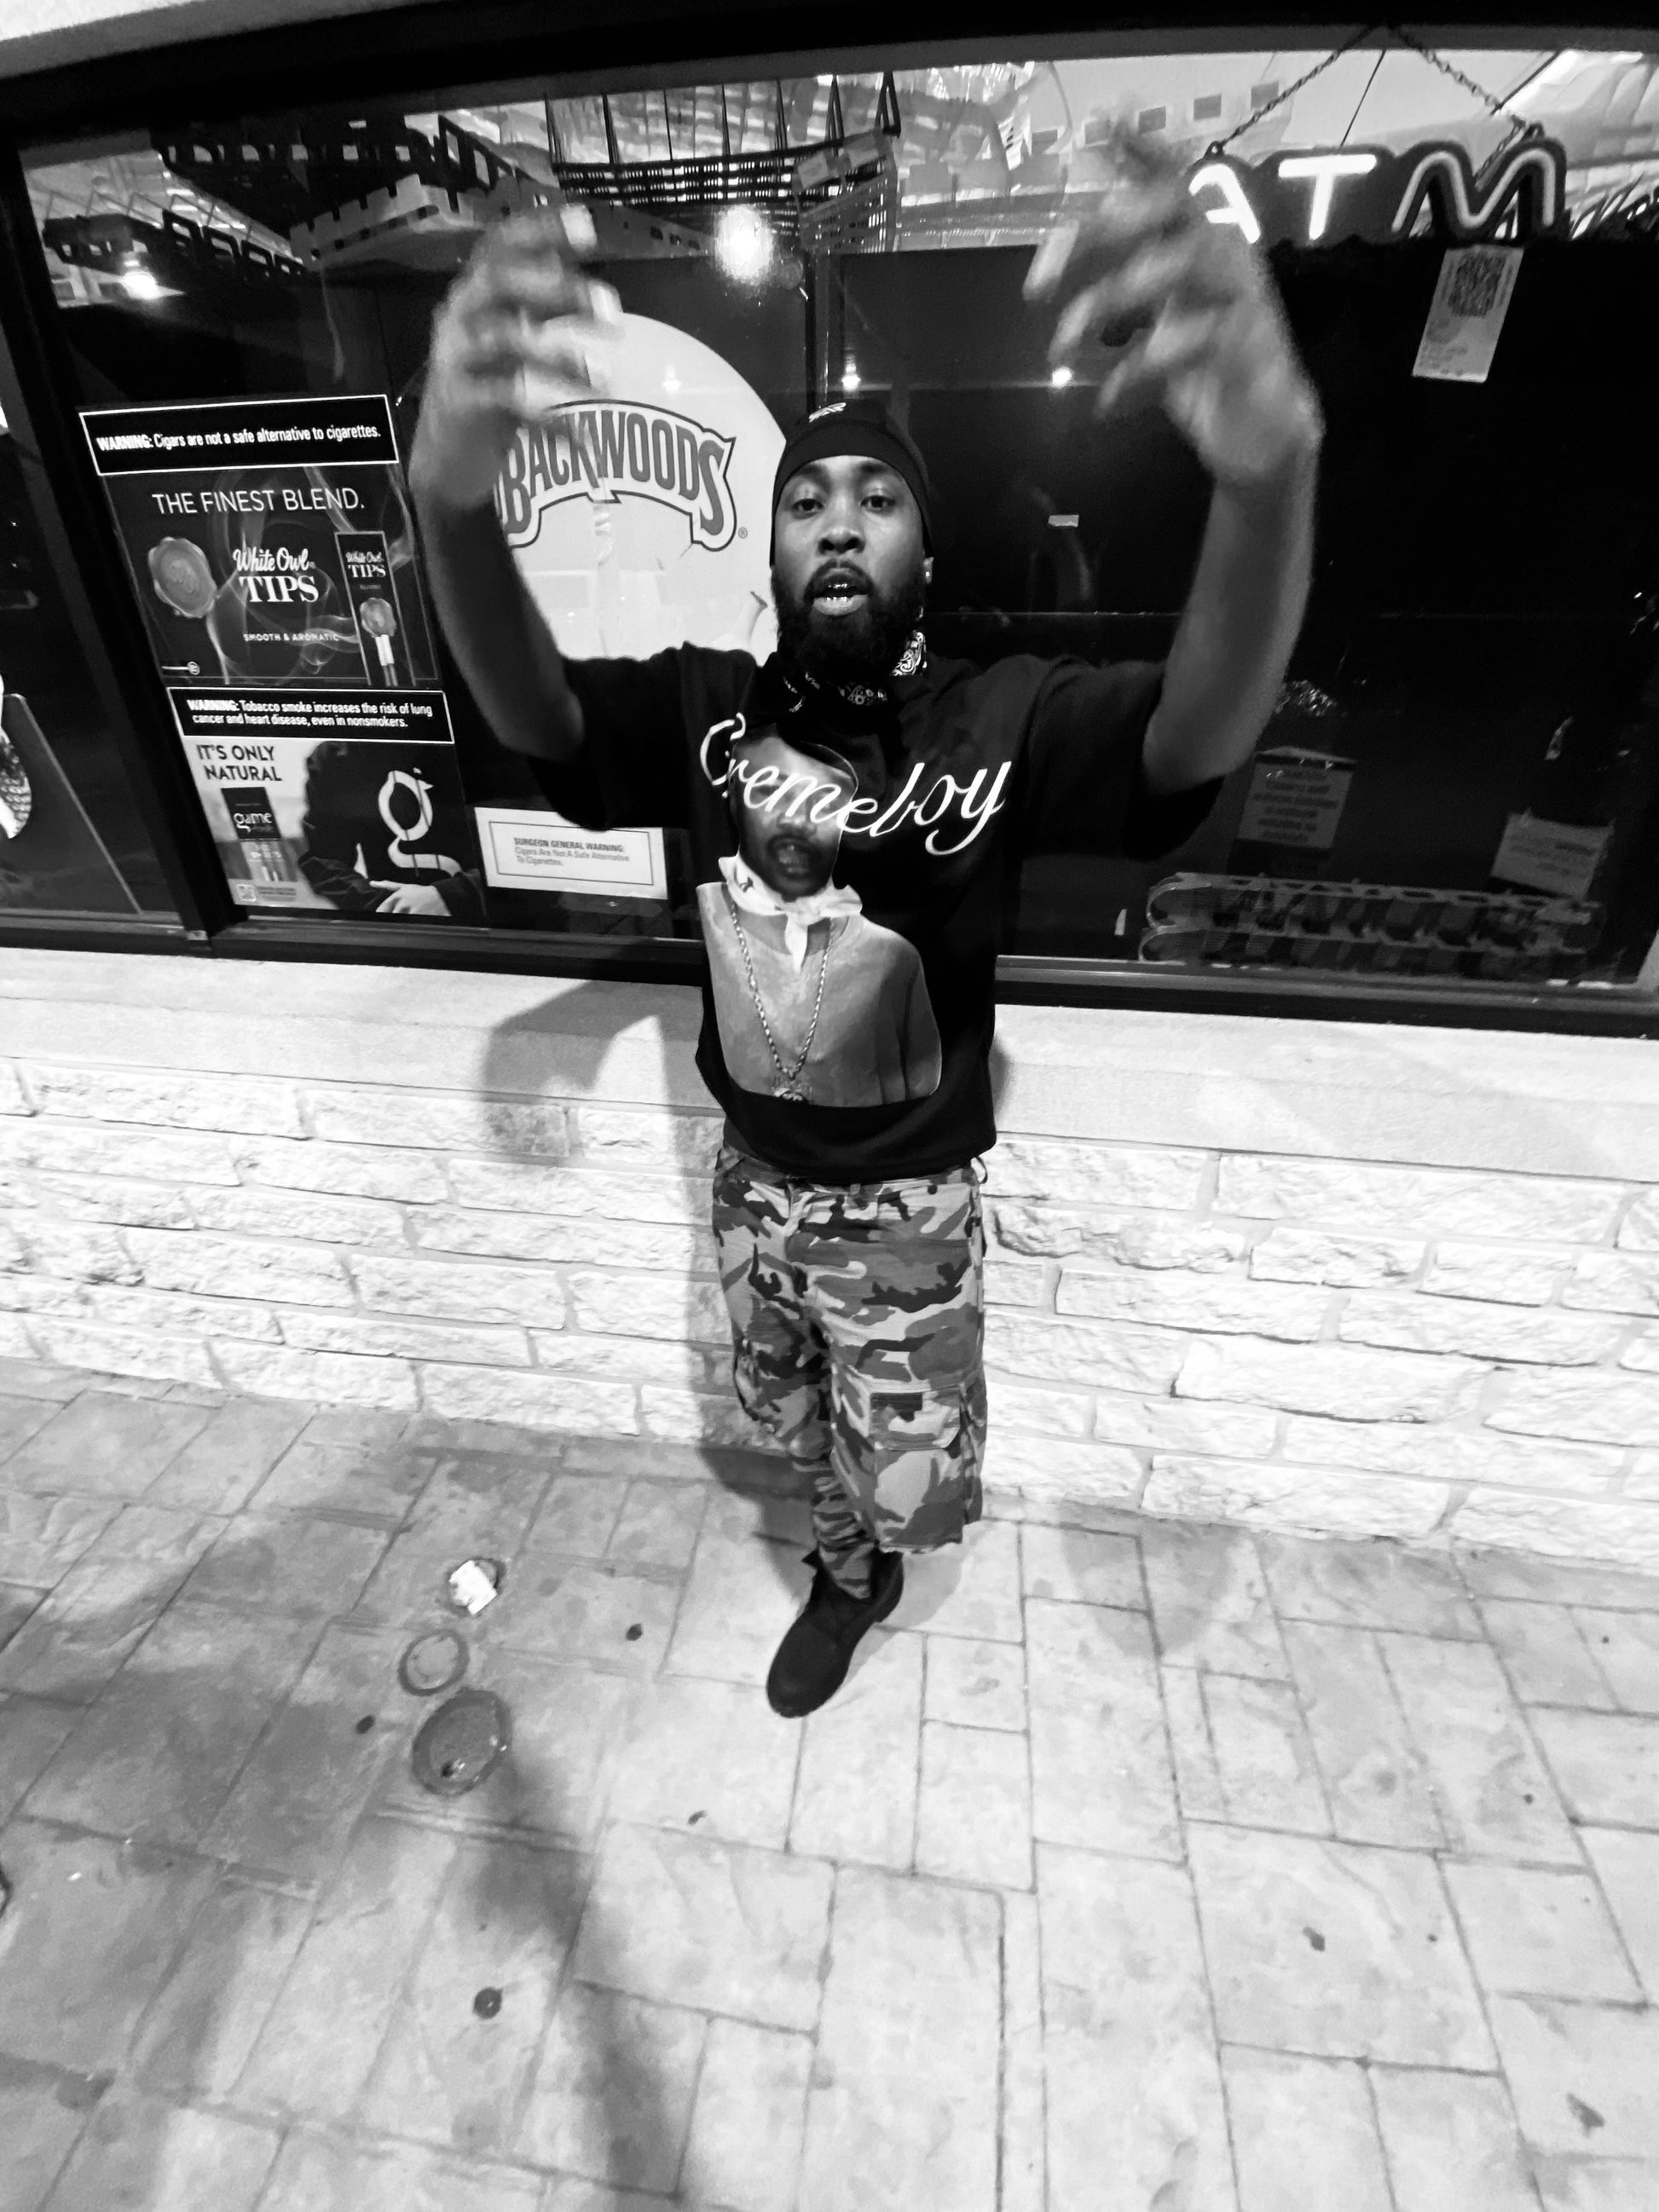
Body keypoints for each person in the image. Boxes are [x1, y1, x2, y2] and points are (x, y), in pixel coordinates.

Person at [410, 149, 1321, 1717]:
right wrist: (448, 505)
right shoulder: (702, 709)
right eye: (805, 501)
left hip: (906, 1208)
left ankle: (874, 1557)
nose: (839, 523)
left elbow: (1196, 729)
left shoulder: (1003, 715)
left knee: (913, 1485)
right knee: (786, 1426)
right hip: (752, 1180)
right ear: (770, 554)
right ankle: (840, 1575)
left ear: (922, 553)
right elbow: (534, 712)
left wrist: (1268, 483)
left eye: (878, 499)